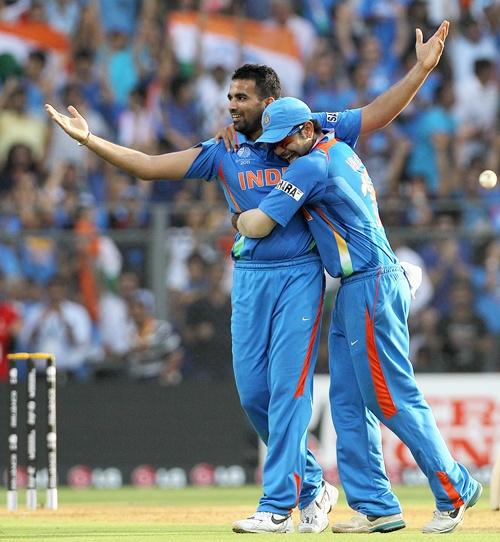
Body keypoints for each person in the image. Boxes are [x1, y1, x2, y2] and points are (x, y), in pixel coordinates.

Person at [45, 21, 449, 533]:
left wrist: (420, 69)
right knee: (254, 394)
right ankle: (312, 485)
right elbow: (148, 166)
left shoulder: (309, 130)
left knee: (287, 392)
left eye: (241, 97)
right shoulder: (223, 150)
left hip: (300, 275)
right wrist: (89, 141)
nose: (231, 104)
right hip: (251, 277)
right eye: (229, 96)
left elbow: (377, 114)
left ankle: (277, 506)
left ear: (270, 102)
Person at [235, 95, 482, 535]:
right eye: (271, 142)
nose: (278, 150)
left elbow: (259, 226)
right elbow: (364, 117)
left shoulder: (310, 166)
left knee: (389, 398)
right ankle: (376, 505)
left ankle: (455, 487)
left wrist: (238, 216)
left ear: (307, 130)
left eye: (284, 140)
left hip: (369, 283)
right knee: (347, 404)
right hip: (359, 286)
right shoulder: (339, 147)